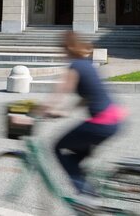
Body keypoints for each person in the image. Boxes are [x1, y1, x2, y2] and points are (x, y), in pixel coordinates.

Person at [42, 31, 126, 196]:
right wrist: (66, 111)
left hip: (101, 123)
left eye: (62, 49)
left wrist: (43, 110)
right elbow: (88, 96)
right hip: (115, 120)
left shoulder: (74, 67)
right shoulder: (87, 64)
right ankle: (88, 186)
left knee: (57, 146)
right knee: (78, 151)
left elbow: (59, 93)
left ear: (67, 48)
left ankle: (86, 196)